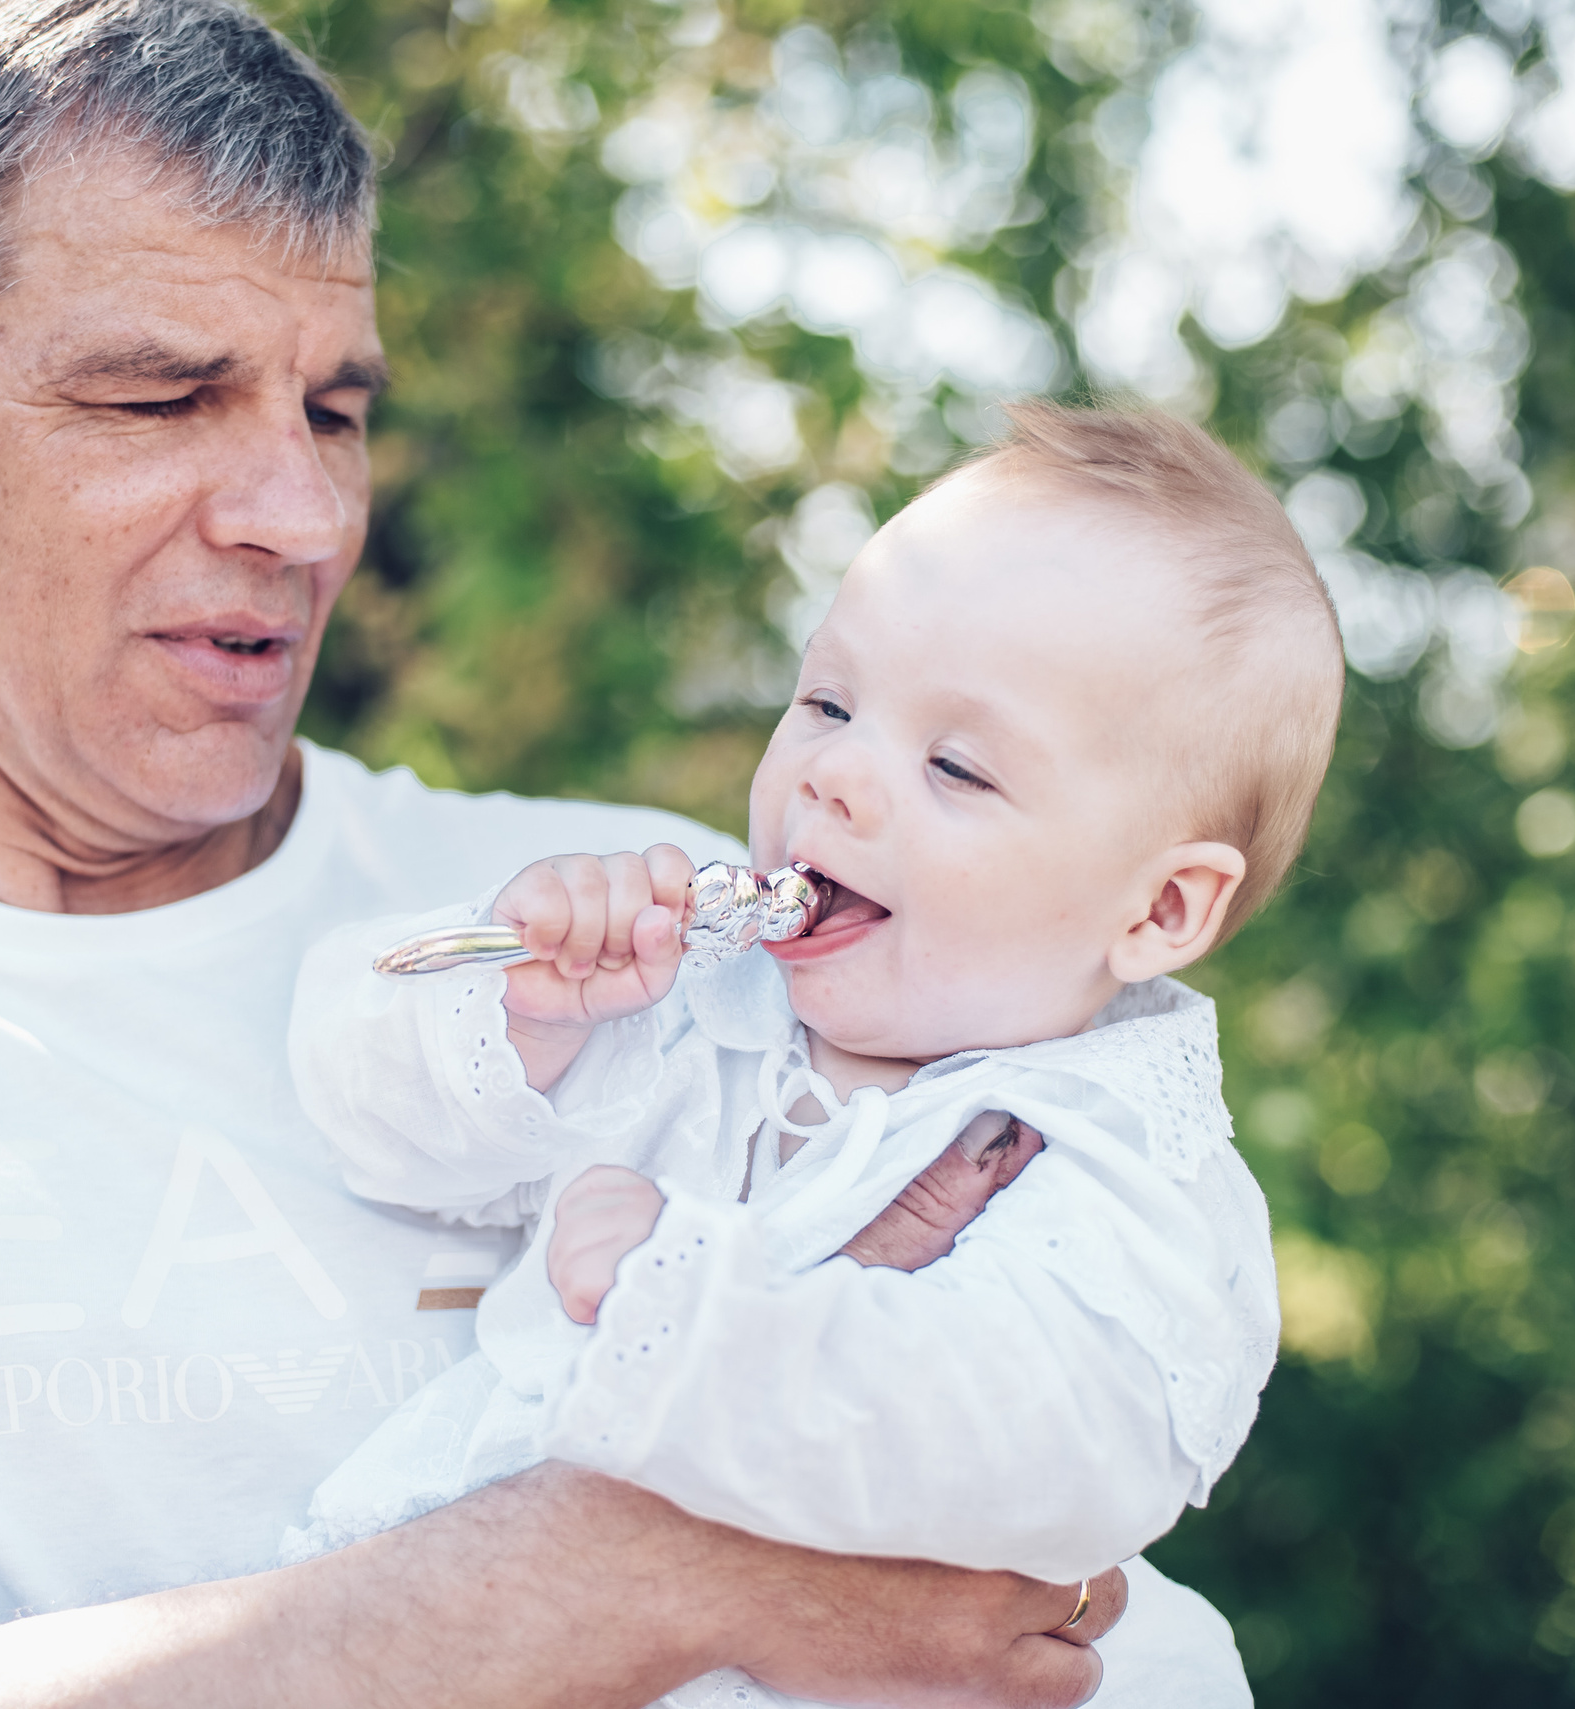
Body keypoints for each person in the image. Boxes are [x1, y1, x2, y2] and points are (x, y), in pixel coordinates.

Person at [0, 2, 1126, 1703]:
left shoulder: (659, 932)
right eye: (157, 399)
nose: (303, 517)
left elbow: (1036, 1572)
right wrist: (654, 1575)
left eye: (333, 411)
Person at [283, 406, 1342, 1707]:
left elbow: (1043, 1442)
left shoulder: (1120, 1161)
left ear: (1161, 907)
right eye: (829, 701)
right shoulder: (696, 1000)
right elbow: (369, 1122)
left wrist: (703, 1311)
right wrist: (524, 1008)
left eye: (957, 766)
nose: (835, 774)